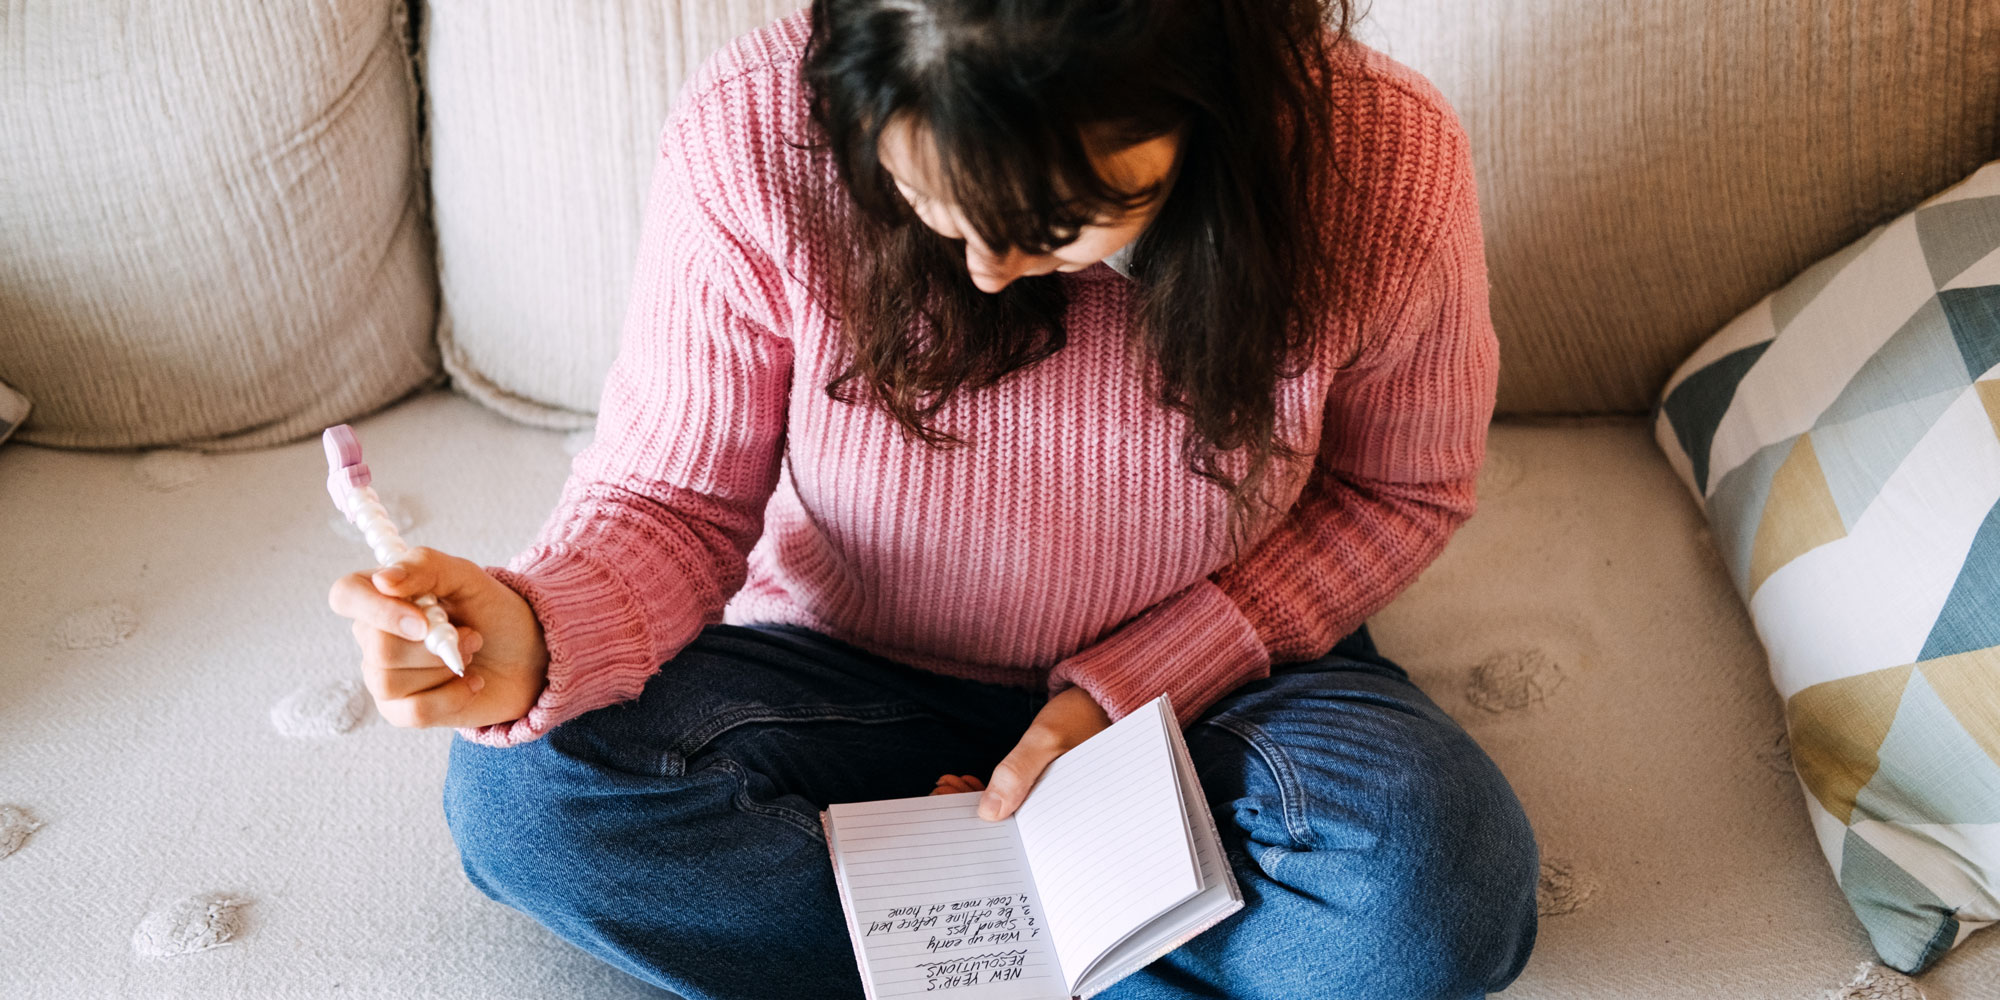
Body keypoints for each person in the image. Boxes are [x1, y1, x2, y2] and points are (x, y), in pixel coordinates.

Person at [326, 0, 1539, 996]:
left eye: (1056, 222)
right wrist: (535, 628)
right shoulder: (757, 128)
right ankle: (1069, 929)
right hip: (840, 674)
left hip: (1211, 688)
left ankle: (947, 940)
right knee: (525, 796)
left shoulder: (1378, 165)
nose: (987, 268)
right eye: (927, 199)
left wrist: (1121, 696)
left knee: (1438, 892)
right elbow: (675, 495)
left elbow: (1398, 491)